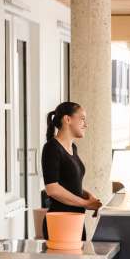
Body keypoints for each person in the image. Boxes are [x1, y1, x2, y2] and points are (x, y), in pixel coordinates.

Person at [41, 102, 102, 240]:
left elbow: (70, 184)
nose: (85, 124)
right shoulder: (51, 148)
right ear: (67, 119)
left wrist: (88, 196)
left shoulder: (73, 148)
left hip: (76, 220)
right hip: (60, 222)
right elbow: (53, 189)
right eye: (82, 118)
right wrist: (86, 204)